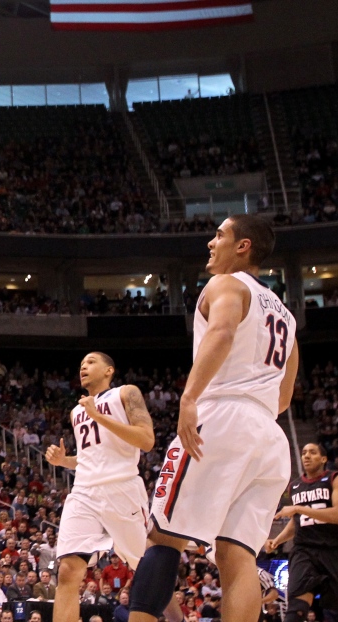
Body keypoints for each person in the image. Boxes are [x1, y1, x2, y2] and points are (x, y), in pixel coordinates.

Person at [129, 215, 299, 622]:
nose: (210, 242)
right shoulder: (288, 319)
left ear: (242, 246)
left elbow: (221, 332)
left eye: (219, 235)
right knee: (236, 554)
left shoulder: (227, 283)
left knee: (163, 537)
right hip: (269, 437)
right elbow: (285, 396)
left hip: (221, 417)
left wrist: (189, 398)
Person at [44, 352, 154, 622]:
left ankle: (175, 618)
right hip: (84, 491)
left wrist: (98, 416)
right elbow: (90, 456)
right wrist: (63, 461)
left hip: (122, 488)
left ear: (109, 371)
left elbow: (146, 440)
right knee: (68, 570)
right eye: (81, 363)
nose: (83, 366)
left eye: (91, 361)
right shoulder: (77, 411)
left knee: (148, 567)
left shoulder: (126, 393)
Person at [264, 443, 338, 622]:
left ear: (323, 459)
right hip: (303, 550)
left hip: (332, 549)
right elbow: (297, 522)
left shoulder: (333, 479)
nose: (306, 456)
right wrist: (278, 540)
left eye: (312, 453)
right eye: (304, 452)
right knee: (296, 607)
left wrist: (298, 509)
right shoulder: (295, 486)